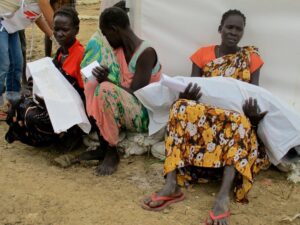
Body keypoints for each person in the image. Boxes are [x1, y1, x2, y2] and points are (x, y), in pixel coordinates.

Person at [142, 83, 269, 225]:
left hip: (236, 147)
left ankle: (223, 197)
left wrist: (254, 120)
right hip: (202, 142)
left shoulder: (251, 60)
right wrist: (186, 98)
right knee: (179, 106)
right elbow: (193, 83)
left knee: (240, 120)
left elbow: (255, 93)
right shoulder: (200, 59)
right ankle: (171, 184)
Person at [80, 6, 161, 176]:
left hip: (143, 114)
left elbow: (138, 94)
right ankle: (104, 146)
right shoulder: (117, 52)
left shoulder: (146, 53)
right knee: (96, 85)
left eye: (106, 33)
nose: (106, 38)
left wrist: (108, 80)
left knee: (105, 89)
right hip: (123, 109)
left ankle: (111, 151)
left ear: (115, 30)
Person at [5, 6, 84, 149]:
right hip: (53, 103)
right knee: (16, 104)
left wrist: (54, 101)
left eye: (64, 30)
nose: (59, 34)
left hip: (69, 111)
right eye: (56, 29)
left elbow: (82, 95)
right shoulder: (61, 52)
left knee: (32, 117)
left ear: (76, 30)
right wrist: (31, 89)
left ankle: (66, 137)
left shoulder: (80, 55)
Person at [0, 0, 55, 120]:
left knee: (16, 63)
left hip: (9, 23)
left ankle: (13, 100)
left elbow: (37, 17)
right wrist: (60, 35)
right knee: (2, 64)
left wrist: (52, 36)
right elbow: (53, 22)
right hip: (2, 17)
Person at [190, 9, 263, 85]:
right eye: (230, 27)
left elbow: (255, 91)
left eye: (239, 29)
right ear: (220, 29)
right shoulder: (202, 53)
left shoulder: (251, 57)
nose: (233, 33)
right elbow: (192, 85)